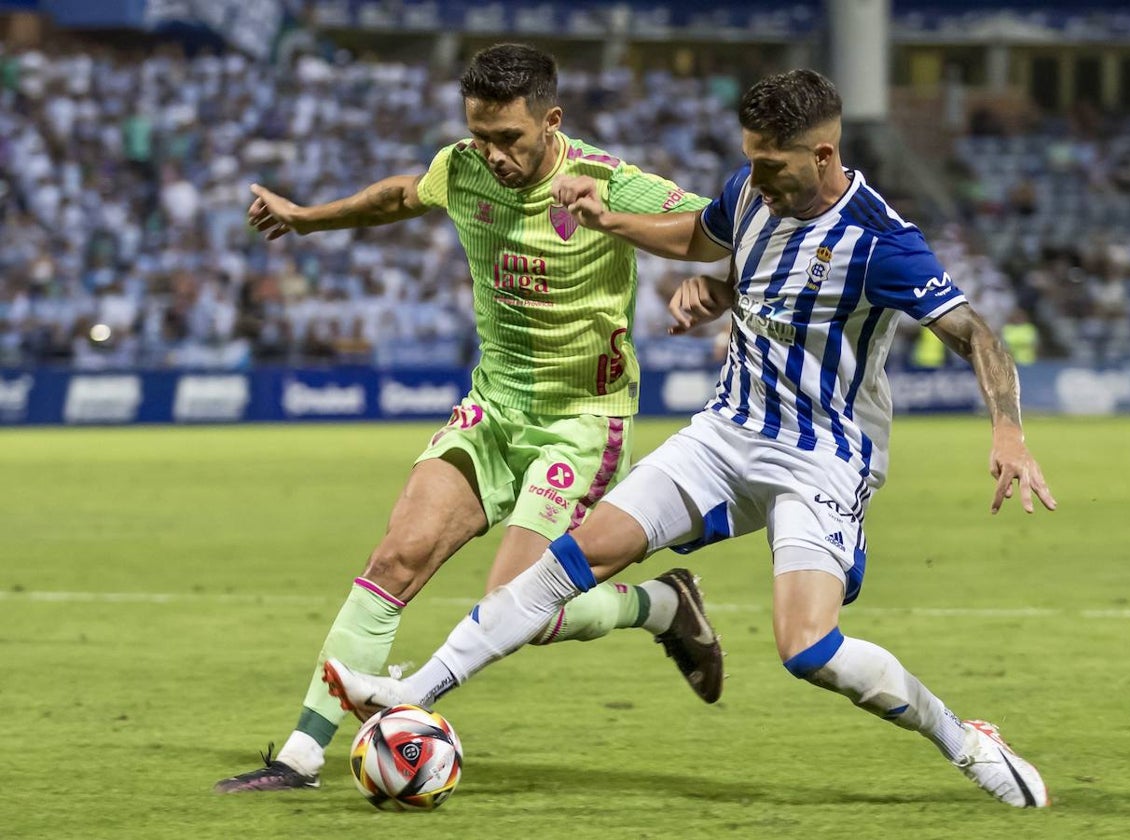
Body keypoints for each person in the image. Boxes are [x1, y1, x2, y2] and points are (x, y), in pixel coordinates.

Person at [324, 69, 1058, 808]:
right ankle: (408, 693)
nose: (759, 182)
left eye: (775, 168)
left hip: (821, 457)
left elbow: (975, 335)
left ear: (825, 155)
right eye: (753, 162)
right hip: (724, 432)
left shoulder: (882, 241)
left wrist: (1009, 431)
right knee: (562, 567)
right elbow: (699, 235)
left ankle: (967, 742)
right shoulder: (751, 189)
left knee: (808, 650)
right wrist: (634, 233)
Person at [214, 43, 726, 794]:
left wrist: (713, 285)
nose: (490, 155)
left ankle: (659, 606)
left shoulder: (610, 182)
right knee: (396, 557)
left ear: (551, 122)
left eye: (508, 139)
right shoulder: (462, 166)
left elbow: (716, 226)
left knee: (516, 608)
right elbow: (400, 196)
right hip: (491, 408)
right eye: (478, 135)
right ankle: (299, 754)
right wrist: (306, 220)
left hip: (580, 421)